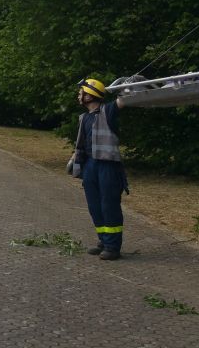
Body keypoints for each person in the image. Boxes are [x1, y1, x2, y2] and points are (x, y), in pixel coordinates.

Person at [72, 78, 127, 261]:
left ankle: (113, 247)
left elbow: (124, 100)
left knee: (109, 205)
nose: (78, 96)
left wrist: (129, 85)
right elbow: (82, 142)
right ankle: (103, 241)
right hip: (90, 166)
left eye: (81, 92)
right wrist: (74, 160)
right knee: (95, 206)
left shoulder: (108, 111)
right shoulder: (84, 118)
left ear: (89, 96)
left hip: (107, 166)